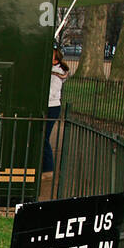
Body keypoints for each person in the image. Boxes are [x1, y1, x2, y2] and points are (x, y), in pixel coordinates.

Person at [43, 46, 68, 174]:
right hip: (50, 106)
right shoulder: (52, 71)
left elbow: (51, 93)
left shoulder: (56, 73)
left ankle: (48, 168)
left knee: (44, 138)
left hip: (51, 107)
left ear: (56, 59)